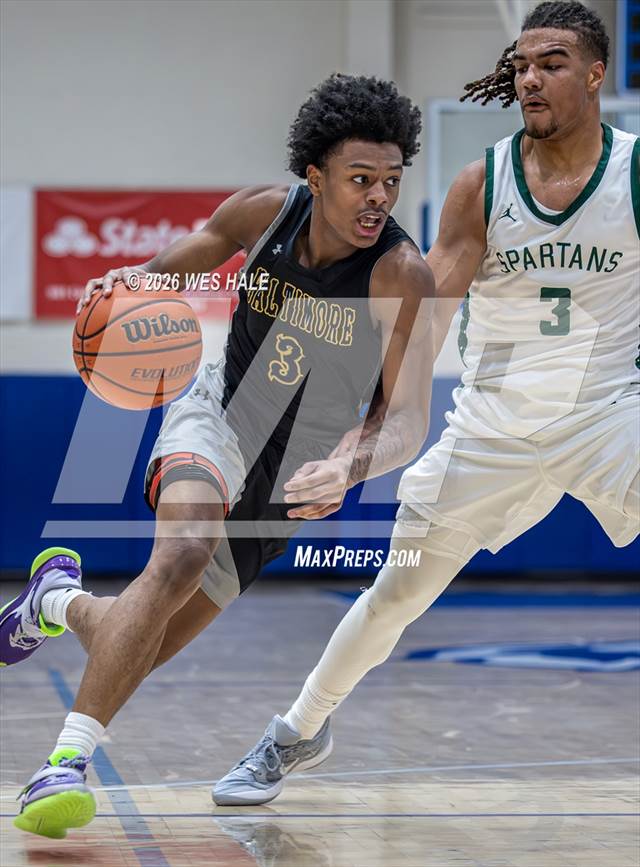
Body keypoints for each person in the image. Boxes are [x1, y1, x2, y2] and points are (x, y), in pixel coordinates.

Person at [213, 0, 640, 807]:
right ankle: (295, 732)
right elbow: (423, 322)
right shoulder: (483, 183)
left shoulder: (635, 174)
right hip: (492, 424)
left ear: (595, 73)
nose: (530, 77)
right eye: (521, 64)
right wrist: (352, 447)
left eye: (550, 63)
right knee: (398, 589)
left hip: (608, 415)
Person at [2, 74, 435, 838]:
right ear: (316, 176)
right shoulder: (263, 214)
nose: (378, 197)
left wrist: (349, 465)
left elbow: (405, 421)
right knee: (180, 555)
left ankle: (55, 600)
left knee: (139, 643)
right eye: (361, 179)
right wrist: (124, 284)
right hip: (219, 415)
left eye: (392, 182)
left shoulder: (402, 275)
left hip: (293, 472)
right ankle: (61, 768)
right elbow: (179, 266)